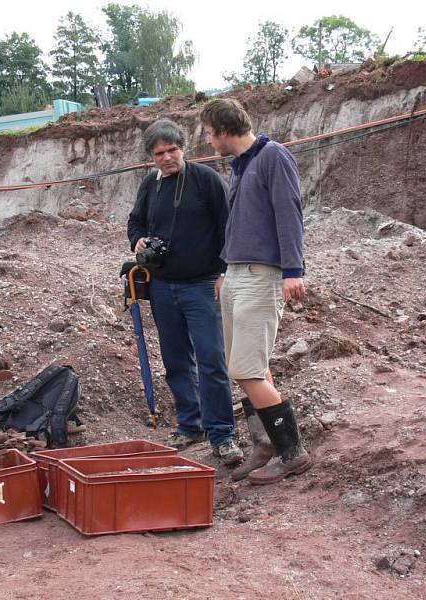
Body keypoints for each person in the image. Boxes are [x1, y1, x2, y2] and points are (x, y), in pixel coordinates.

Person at [200, 98, 312, 484]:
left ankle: (292, 452)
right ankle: (266, 444)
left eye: (211, 135)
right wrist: (224, 269)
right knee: (251, 368)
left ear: (225, 130)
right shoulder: (242, 166)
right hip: (236, 274)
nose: (210, 143)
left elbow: (289, 213)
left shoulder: (273, 157)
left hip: (262, 275)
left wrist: (293, 270)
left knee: (245, 368)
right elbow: (241, 225)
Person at [127, 118, 243, 465]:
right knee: (176, 361)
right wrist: (138, 240)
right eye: (159, 153)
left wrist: (224, 272)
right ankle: (190, 424)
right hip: (163, 287)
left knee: (211, 361)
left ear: (184, 148)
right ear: (151, 156)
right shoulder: (151, 185)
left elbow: (230, 226)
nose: (167, 157)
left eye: (172, 150)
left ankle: (222, 433)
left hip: (203, 284)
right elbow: (135, 221)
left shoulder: (207, 180)